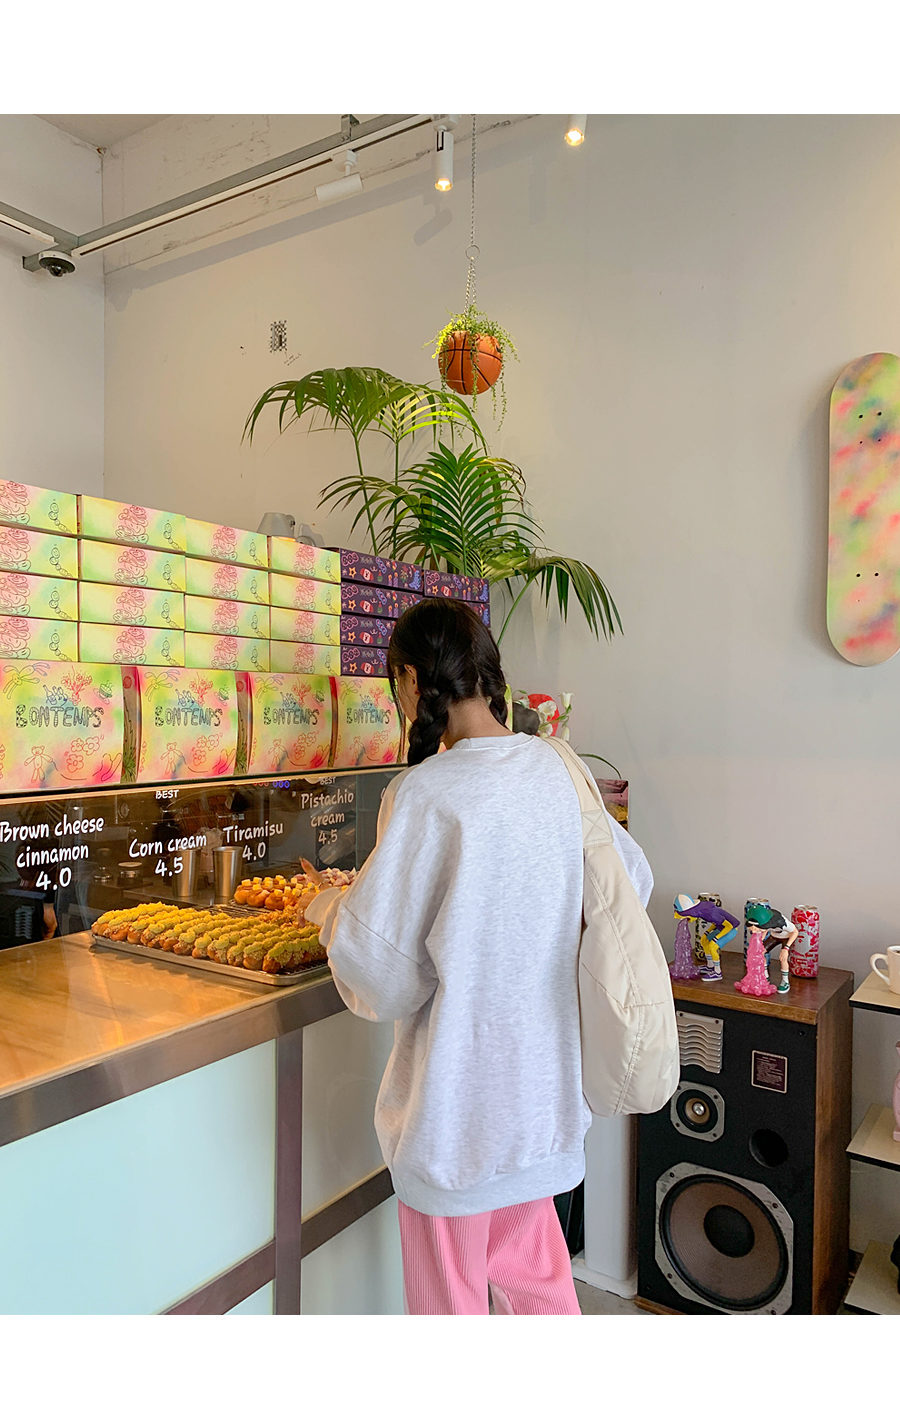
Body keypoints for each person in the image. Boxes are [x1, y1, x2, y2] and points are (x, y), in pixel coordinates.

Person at [304, 597, 652, 1316]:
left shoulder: (425, 793)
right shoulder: (558, 769)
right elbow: (629, 883)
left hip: (456, 1114)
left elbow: (381, 974)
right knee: (541, 1297)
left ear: (410, 680)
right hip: (540, 1104)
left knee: (449, 1310)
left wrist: (328, 908)